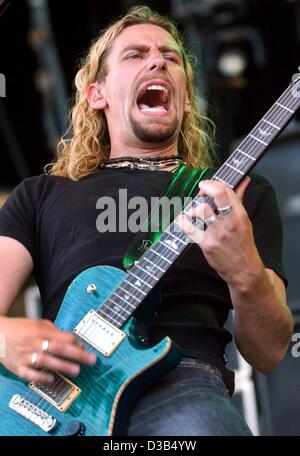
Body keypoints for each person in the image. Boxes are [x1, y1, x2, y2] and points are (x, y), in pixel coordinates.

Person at [0, 5, 293, 436]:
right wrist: (5, 337)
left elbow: (268, 353)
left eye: (172, 58)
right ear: (96, 93)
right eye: (135, 54)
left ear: (186, 97)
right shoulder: (40, 195)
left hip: (180, 384)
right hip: (50, 393)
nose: (158, 60)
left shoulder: (232, 196)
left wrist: (244, 271)